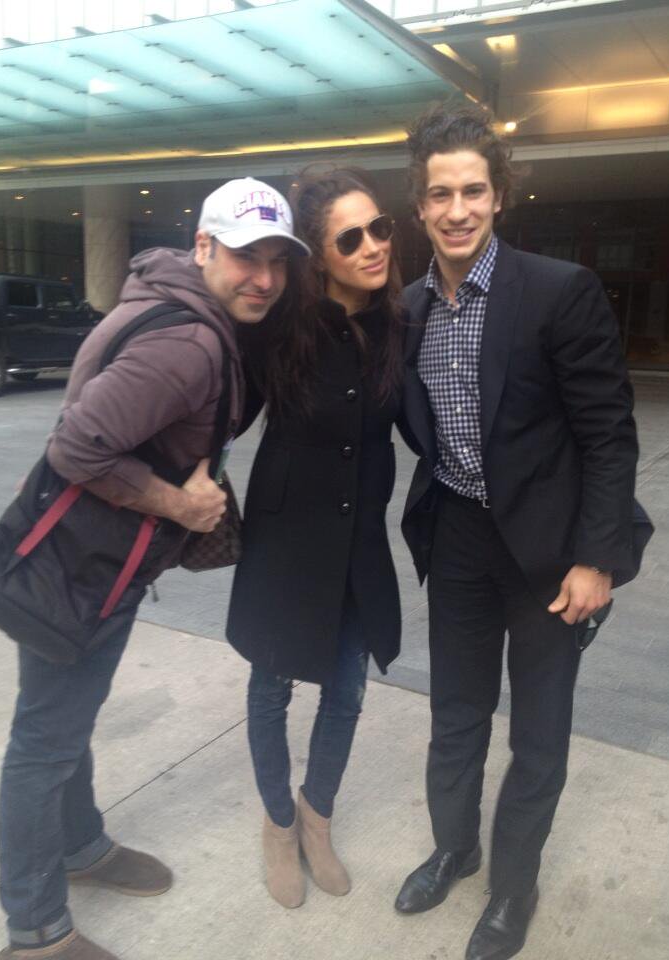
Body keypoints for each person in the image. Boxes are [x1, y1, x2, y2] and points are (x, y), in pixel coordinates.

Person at [0, 177, 309, 960]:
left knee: (63, 724)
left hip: (93, 562)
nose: (263, 277)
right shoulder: (189, 342)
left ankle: (81, 846)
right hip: (79, 567)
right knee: (44, 741)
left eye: (276, 260)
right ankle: (35, 932)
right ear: (204, 247)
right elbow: (76, 447)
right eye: (244, 255)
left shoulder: (172, 302)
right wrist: (178, 504)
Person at [394, 104, 640, 960]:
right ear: (419, 206)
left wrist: (596, 558)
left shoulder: (556, 291)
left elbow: (609, 434)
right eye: (439, 194)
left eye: (472, 191)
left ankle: (512, 888)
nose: (456, 209)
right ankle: (455, 848)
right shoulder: (409, 309)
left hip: (549, 550)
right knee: (456, 713)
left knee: (537, 730)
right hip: (458, 534)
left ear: (497, 196)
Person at [226, 168, 404, 908]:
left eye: (381, 228)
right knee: (271, 689)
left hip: (358, 544)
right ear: (320, 257)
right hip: (285, 541)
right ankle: (276, 823)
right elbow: (219, 409)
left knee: (347, 691)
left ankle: (316, 817)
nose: (373, 246)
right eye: (351, 238)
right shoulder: (279, 330)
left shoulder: (398, 324)